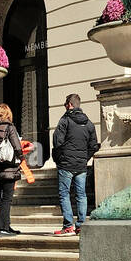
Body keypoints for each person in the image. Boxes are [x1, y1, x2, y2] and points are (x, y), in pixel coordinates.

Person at [52, 93, 99, 235]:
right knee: (81, 195)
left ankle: (68, 225)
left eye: (66, 105)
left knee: (64, 194)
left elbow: (57, 142)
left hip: (66, 164)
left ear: (70, 105)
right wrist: (85, 158)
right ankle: (80, 225)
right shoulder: (89, 123)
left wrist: (59, 158)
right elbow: (94, 145)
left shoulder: (65, 120)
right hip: (81, 165)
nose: (65, 107)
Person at [0, 104, 25, 236]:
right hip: (9, 168)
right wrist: (22, 159)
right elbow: (17, 147)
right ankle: (2, 227)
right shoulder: (10, 128)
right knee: (7, 199)